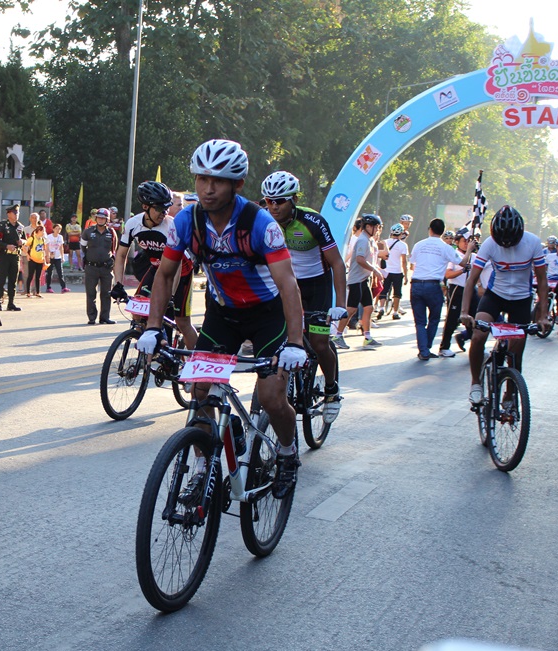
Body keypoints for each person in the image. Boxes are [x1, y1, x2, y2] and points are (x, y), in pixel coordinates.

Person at [138, 139, 307, 491]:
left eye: (218, 181)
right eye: (202, 179)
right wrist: (153, 327)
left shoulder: (261, 224)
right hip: (223, 313)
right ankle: (203, 469)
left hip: (267, 315)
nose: (208, 189)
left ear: (237, 184)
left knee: (272, 397)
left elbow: (288, 284)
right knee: (200, 391)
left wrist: (295, 342)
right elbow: (165, 275)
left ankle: (287, 452)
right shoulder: (186, 220)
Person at [260, 170, 346, 422]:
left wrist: (340, 305)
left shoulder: (313, 221)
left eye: (280, 201)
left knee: (319, 344)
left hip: (317, 287)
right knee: (278, 340)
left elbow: (337, 263)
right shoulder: (263, 220)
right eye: (269, 201)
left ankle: (331, 390)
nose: (274, 207)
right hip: (288, 285)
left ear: (294, 199)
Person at [460, 205, 549, 404]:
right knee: (478, 334)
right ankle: (475, 383)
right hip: (495, 296)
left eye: (511, 241)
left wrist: (543, 316)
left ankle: (510, 395)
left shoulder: (533, 242)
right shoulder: (490, 244)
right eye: (503, 242)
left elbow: (543, 281)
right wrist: (465, 312)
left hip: (521, 299)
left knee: (516, 352)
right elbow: (471, 280)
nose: (507, 245)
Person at [407, 219, 473, 361]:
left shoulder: (419, 244)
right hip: (433, 285)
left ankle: (424, 350)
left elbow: (412, 263)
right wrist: (469, 250)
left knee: (420, 321)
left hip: (416, 284)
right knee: (434, 319)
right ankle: (426, 348)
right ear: (442, 232)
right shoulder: (446, 248)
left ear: (430, 229)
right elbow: (463, 262)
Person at [112, 180, 174, 299]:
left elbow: (178, 264)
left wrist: (172, 295)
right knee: (138, 302)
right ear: (145, 206)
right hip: (156, 268)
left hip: (179, 271)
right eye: (159, 208)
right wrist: (118, 285)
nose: (164, 213)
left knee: (172, 309)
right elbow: (121, 255)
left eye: (166, 208)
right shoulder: (133, 224)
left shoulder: (171, 226)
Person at [335, 214, 384, 348]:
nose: (377, 230)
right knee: (351, 309)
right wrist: (375, 270)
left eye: (378, 227)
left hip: (364, 279)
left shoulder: (370, 240)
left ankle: (367, 337)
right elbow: (360, 259)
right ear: (367, 227)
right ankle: (337, 335)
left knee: (369, 307)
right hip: (356, 280)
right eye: (375, 227)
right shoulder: (362, 240)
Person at [438, 227, 478, 357]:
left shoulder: (474, 256)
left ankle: (476, 346)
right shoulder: (454, 255)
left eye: (469, 241)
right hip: (457, 289)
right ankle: (444, 347)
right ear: (457, 242)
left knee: (475, 318)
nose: (467, 244)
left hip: (471, 290)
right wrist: (462, 270)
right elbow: (448, 274)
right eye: (464, 241)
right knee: (452, 319)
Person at [81, 208, 116, 324]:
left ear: (107, 220)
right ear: (96, 218)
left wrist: (112, 261)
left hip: (106, 268)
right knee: (91, 293)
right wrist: (88, 258)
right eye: (99, 218)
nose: (101, 220)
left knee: (106, 293)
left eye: (103, 218)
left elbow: (114, 249)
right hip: (91, 267)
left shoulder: (111, 232)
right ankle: (92, 317)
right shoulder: (88, 231)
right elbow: (83, 247)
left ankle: (105, 317)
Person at [0, 205, 24, 311]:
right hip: (4, 256)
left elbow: (24, 239)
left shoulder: (20, 227)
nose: (16, 215)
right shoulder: (3, 225)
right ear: (9, 214)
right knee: (2, 279)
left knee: (13, 280)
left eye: (18, 213)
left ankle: (11, 303)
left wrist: (22, 242)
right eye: (14, 213)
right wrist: (6, 246)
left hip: (15, 256)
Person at [378, 223, 409, 320]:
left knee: (384, 290)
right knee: (397, 293)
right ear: (401, 233)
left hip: (385, 271)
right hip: (397, 271)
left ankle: (381, 308)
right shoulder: (403, 245)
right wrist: (406, 275)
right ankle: (395, 312)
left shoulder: (384, 242)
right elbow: (404, 261)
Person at [24, 220, 48, 297]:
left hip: (40, 260)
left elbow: (43, 250)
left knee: (38, 277)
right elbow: (24, 246)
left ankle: (37, 292)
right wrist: (27, 255)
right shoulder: (32, 238)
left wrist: (44, 260)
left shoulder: (42, 240)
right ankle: (28, 292)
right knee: (30, 276)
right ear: (39, 231)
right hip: (32, 259)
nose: (43, 233)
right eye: (43, 231)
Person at [45, 223, 69, 292]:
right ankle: (48, 287)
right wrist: (48, 255)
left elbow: (61, 247)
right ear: (53, 229)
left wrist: (62, 256)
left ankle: (63, 287)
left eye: (59, 229)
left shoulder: (60, 237)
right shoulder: (49, 237)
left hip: (58, 257)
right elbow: (46, 247)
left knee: (60, 272)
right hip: (50, 256)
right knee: (49, 272)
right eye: (56, 229)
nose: (57, 230)